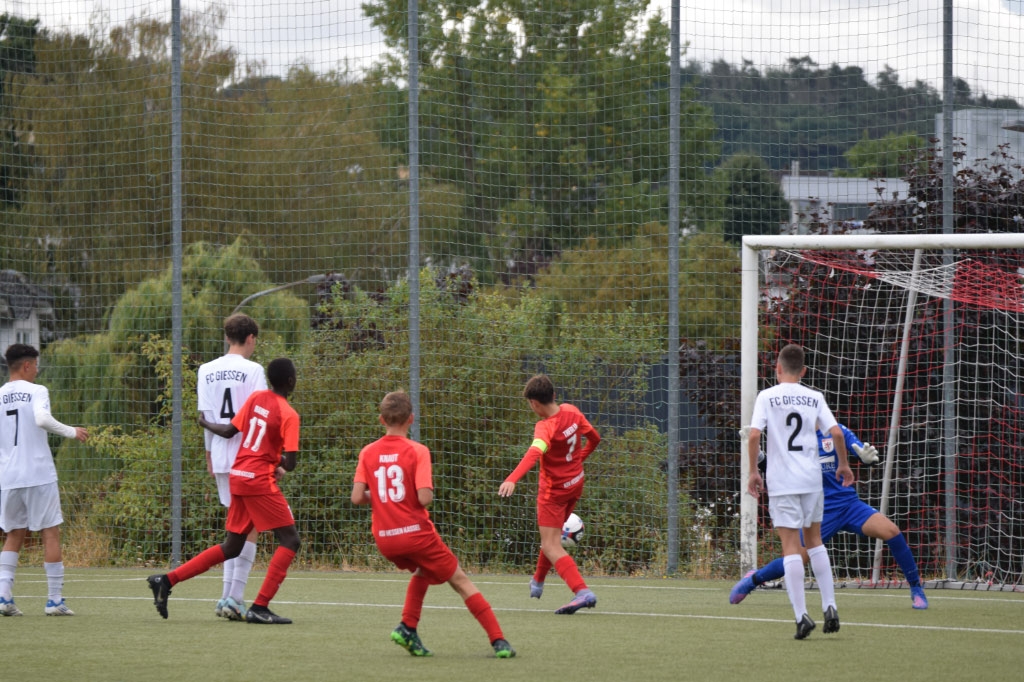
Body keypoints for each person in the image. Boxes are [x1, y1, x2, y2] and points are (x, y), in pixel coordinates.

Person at [351, 391, 515, 658]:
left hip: (385, 539)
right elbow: (424, 498)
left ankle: (408, 627)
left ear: (381, 420)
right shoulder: (417, 451)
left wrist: (382, 497)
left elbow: (357, 497)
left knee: (423, 571)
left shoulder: (367, 452)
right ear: (411, 419)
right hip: (415, 534)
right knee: (460, 580)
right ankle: (499, 640)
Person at [148, 357, 301, 624]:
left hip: (238, 475)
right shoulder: (289, 414)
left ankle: (167, 580)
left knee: (232, 546)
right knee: (290, 540)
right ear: (291, 381)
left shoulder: (255, 399)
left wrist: (205, 423)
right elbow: (291, 464)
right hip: (257, 480)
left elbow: (230, 430)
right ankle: (260, 607)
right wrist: (276, 460)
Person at [730, 423, 928, 609]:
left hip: (849, 505)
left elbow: (860, 450)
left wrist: (866, 458)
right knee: (795, 560)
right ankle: (753, 579)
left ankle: (916, 589)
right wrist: (760, 458)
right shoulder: (794, 440)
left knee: (891, 531)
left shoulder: (836, 430)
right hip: (819, 512)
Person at [745, 344, 854, 639]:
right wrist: (843, 464)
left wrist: (754, 471)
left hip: (783, 481)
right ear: (804, 371)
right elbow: (836, 432)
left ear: (778, 368)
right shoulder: (814, 396)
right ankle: (830, 606)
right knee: (815, 541)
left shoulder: (767, 395)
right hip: (811, 479)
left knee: (791, 547)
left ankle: (801, 616)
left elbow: (754, 435)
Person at [498, 374, 601, 615]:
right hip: (575, 483)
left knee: (551, 544)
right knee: (552, 538)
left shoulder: (545, 427)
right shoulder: (572, 411)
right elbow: (595, 439)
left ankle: (582, 591)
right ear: (553, 395)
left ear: (534, 403)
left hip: (553, 493)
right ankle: (538, 581)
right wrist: (578, 460)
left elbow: (535, 453)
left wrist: (512, 478)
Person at [0, 343, 89, 616]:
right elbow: (41, 419)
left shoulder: (0, 394)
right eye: (36, 366)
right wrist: (71, 431)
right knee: (50, 533)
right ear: (27, 365)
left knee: (13, 534)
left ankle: (4, 597)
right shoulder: (37, 391)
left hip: (9, 476)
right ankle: (54, 601)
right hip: (38, 473)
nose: (37, 371)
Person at [196, 313, 267, 620]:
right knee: (249, 526)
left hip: (222, 454)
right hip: (248, 455)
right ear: (250, 338)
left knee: (235, 525)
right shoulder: (254, 370)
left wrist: (209, 455)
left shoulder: (206, 370)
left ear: (227, 337)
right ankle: (234, 597)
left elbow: (206, 417)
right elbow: (260, 414)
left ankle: (227, 596)